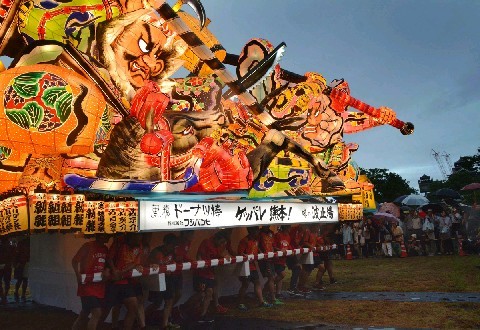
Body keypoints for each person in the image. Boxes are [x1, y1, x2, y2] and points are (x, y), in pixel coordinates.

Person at [105, 233, 145, 330]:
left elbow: (136, 262)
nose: (139, 238)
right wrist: (114, 270)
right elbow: (109, 257)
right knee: (106, 309)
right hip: (112, 281)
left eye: (141, 236)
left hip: (125, 280)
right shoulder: (119, 242)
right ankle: (113, 326)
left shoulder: (139, 245)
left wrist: (127, 269)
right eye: (137, 236)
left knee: (133, 306)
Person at [71, 234, 111, 330]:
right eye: (107, 235)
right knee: (97, 312)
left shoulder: (105, 249)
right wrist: (78, 275)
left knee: (84, 314)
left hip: (99, 286)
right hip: (87, 286)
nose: (109, 237)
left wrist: (107, 271)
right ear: (100, 235)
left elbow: (107, 264)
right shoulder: (88, 246)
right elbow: (74, 261)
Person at [191, 231, 228, 323]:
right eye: (221, 241)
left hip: (209, 273)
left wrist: (224, 258)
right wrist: (200, 264)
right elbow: (199, 255)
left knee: (209, 292)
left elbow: (215, 256)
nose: (221, 244)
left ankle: (202, 315)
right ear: (216, 238)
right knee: (201, 294)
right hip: (201, 273)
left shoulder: (216, 247)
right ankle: (184, 308)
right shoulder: (206, 242)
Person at [147, 233, 179, 330]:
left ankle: (165, 325)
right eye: (171, 244)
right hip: (156, 279)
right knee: (157, 303)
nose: (172, 247)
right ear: (166, 243)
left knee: (169, 301)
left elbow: (173, 262)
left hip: (168, 279)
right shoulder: (156, 252)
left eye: (174, 245)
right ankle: (142, 320)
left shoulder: (172, 252)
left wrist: (172, 266)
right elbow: (148, 264)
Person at [237, 226, 272, 310]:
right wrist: (244, 255)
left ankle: (261, 301)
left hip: (253, 266)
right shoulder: (244, 241)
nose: (258, 232)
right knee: (245, 284)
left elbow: (256, 250)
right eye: (256, 230)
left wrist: (260, 253)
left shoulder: (256, 240)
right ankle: (240, 303)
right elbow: (240, 253)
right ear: (251, 231)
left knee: (257, 282)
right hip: (245, 266)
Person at [259, 226, 282, 305]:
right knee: (271, 278)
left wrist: (274, 254)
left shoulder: (271, 233)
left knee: (273, 277)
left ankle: (265, 293)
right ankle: (272, 298)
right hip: (264, 259)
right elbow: (257, 245)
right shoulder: (259, 233)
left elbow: (272, 245)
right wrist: (262, 254)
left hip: (271, 258)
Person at [273, 225, 291, 298]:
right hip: (277, 259)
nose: (290, 229)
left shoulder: (288, 237)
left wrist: (290, 250)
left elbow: (288, 246)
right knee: (282, 274)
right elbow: (273, 246)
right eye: (289, 227)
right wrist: (280, 250)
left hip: (283, 259)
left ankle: (278, 293)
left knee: (280, 277)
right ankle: (268, 287)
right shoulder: (278, 235)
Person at [14, 236, 30, 303]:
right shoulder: (28, 243)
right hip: (24, 262)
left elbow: (17, 254)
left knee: (22, 279)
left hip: (22, 262)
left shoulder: (21, 243)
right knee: (24, 279)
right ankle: (21, 294)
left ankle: (18, 293)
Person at [0, 237, 14, 305]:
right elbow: (13, 256)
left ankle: (3, 296)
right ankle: (4, 296)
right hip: (8, 266)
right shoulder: (11, 248)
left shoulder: (3, 247)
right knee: (7, 282)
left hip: (2, 265)